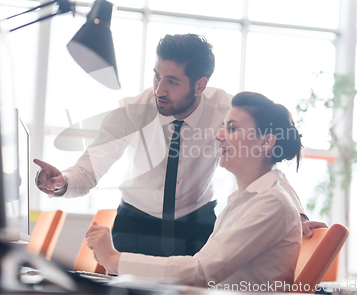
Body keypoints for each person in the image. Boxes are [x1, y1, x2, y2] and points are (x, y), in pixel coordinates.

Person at [34, 34, 324, 257]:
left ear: (200, 85)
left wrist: (295, 215)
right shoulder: (132, 109)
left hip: (197, 225)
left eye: (172, 81)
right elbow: (90, 166)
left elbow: (266, 165)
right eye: (157, 76)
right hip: (135, 225)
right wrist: (62, 182)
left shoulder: (227, 109)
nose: (159, 90)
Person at [85, 92, 304, 288]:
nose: (219, 136)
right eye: (223, 126)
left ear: (266, 142)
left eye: (233, 128)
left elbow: (200, 272)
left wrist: (114, 259)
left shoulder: (270, 203)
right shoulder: (244, 201)